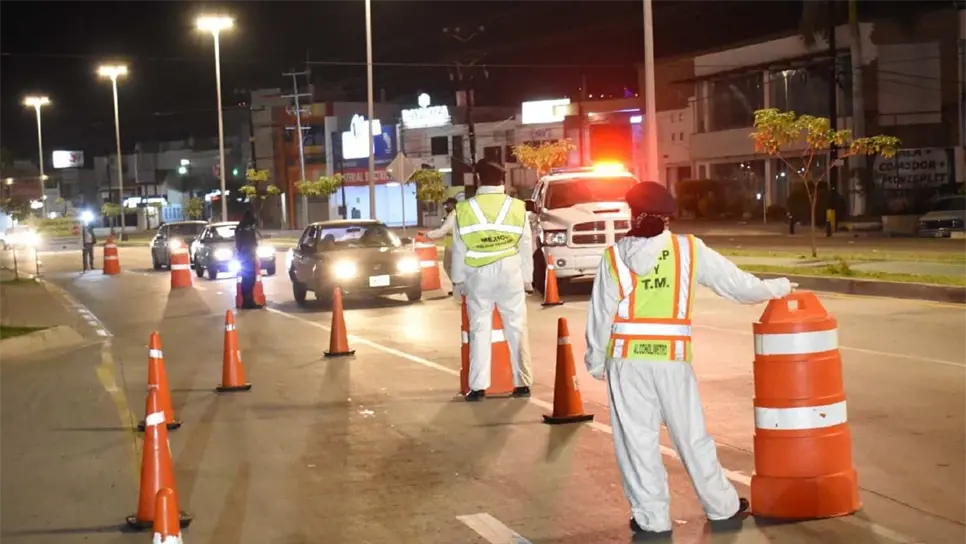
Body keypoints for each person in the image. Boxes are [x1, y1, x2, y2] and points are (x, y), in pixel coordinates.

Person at [585, 181, 793, 538]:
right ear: (668, 217)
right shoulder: (689, 250)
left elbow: (601, 315)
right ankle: (722, 506)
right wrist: (779, 287)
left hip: (626, 361)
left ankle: (652, 519)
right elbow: (738, 285)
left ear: (632, 215)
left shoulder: (614, 257)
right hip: (672, 361)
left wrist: (594, 360)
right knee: (693, 437)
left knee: (637, 443)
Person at [452, 160, 534, 401]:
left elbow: (459, 248)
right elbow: (526, 244)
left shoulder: (464, 209)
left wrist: (458, 281)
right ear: (502, 180)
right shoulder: (517, 207)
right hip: (510, 273)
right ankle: (522, 383)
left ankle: (478, 387)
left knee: (479, 329)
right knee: (516, 327)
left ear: (479, 179)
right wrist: (527, 279)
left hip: (479, 275)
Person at [420, 197, 458, 294]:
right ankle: (458, 288)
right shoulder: (453, 215)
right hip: (453, 245)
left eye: (447, 205)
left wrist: (428, 235)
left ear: (452, 205)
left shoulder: (453, 216)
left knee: (448, 266)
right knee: (453, 267)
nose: (445, 207)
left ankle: (458, 288)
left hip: (452, 246)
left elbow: (442, 231)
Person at [235, 210, 262, 309]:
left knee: (246, 280)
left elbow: (238, 243)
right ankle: (248, 302)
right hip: (248, 257)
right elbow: (252, 243)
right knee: (249, 280)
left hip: (243, 256)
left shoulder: (240, 227)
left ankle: (247, 301)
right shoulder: (248, 228)